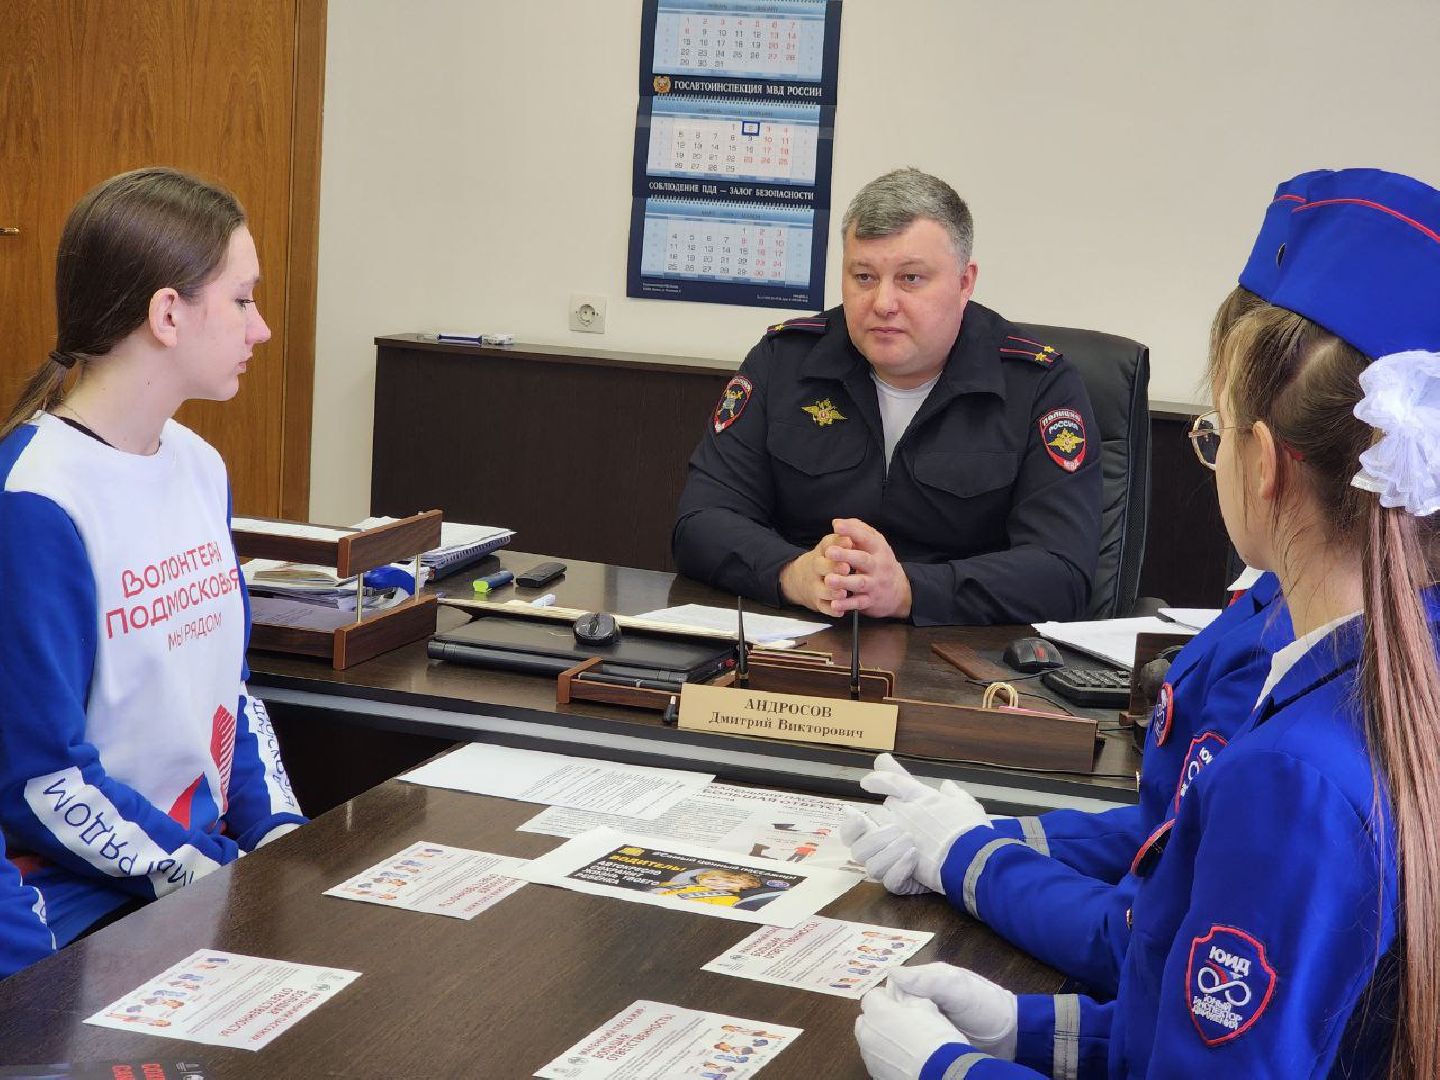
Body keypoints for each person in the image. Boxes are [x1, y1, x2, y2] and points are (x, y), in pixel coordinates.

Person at [851, 167, 1440, 1078]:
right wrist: (1033, 1033)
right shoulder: (1398, 667)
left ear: (1265, 464)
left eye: (1214, 433)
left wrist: (948, 1072)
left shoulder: (1294, 780)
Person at [0, 167, 308, 947]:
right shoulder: (36, 502)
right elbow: (44, 780)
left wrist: (279, 836)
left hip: (195, 871)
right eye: (242, 300)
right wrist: (215, 878)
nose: (260, 327)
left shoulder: (200, 464)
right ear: (167, 314)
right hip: (82, 904)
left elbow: (228, 697)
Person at [672, 168, 1102, 626]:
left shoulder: (1037, 385)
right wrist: (792, 573)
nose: (882, 303)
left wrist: (907, 591)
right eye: (863, 277)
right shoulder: (784, 362)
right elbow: (700, 522)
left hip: (961, 662)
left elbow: (1061, 574)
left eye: (911, 278)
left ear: (964, 282)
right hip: (799, 642)